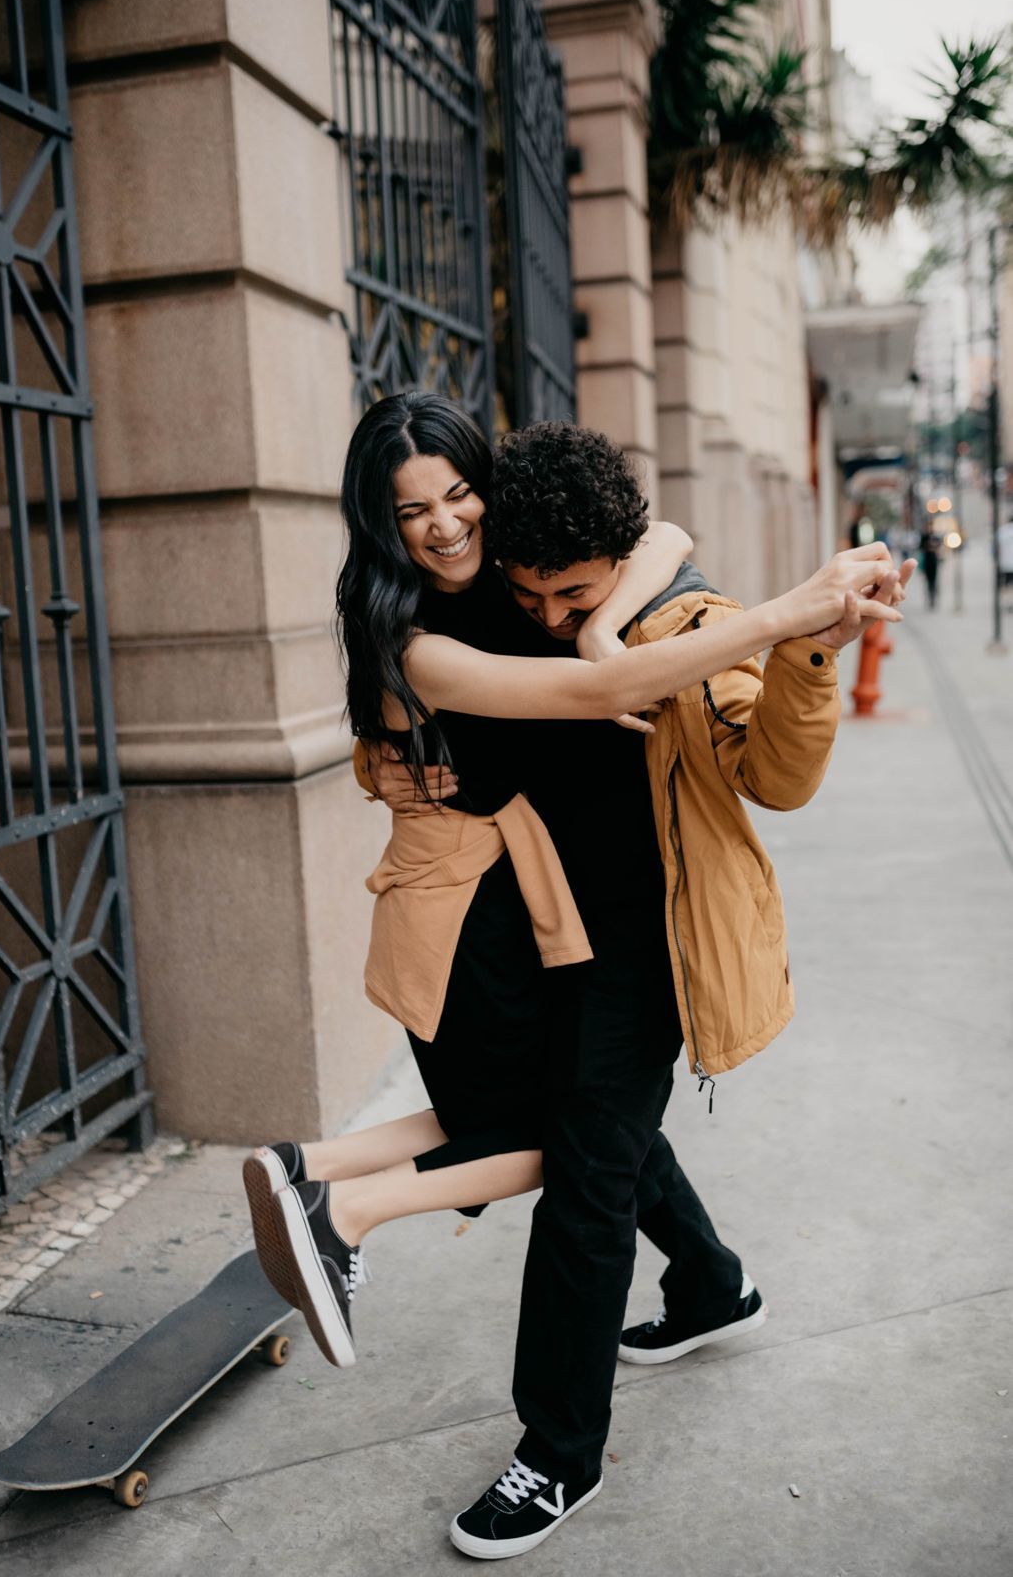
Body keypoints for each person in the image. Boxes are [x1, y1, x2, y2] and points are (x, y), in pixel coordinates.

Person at [243, 395, 905, 1555]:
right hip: (544, 935)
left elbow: (678, 568)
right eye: (413, 509)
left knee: (588, 1183)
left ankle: (558, 1452)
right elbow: (584, 688)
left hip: (647, 938)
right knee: (598, 1135)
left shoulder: (635, 600)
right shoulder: (454, 622)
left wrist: (790, 641)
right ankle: (712, 1288)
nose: (448, 526)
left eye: (459, 496)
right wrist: (719, 622)